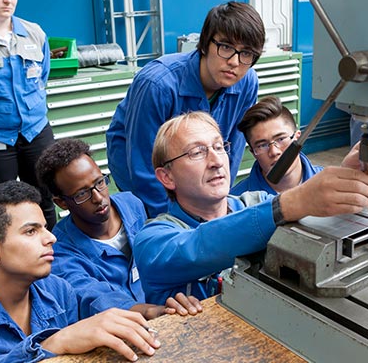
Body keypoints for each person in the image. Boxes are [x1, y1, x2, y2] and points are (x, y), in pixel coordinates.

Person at [132, 111, 368, 305]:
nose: (216, 162)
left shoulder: (255, 202)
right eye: (197, 152)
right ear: (167, 177)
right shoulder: (152, 241)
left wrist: (348, 183)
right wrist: (293, 202)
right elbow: (200, 245)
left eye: (219, 147)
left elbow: (316, 231)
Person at [106, 1, 266, 217]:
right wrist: (171, 220)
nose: (235, 62)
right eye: (226, 47)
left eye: (247, 53)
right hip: (136, 160)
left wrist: (217, 202)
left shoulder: (247, 82)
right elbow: (142, 164)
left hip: (192, 161)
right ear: (204, 44)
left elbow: (232, 150)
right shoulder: (157, 84)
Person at [0, 180, 161, 362]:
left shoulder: (58, 291)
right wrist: (52, 344)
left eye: (45, 228)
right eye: (31, 231)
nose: (51, 238)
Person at [36, 138, 202, 320]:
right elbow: (94, 298)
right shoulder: (62, 256)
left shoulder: (132, 204)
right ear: (61, 203)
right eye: (82, 194)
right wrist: (150, 311)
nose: (98, 198)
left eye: (99, 182)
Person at [0, 0, 56, 230]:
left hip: (35, 130)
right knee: (0, 206)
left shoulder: (33, 33)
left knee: (44, 198)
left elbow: (42, 76)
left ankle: (51, 256)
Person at [233, 96, 323, 195]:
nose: (274, 152)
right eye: (262, 145)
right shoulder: (236, 203)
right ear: (253, 153)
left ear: (297, 138)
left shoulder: (328, 183)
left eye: (281, 139)